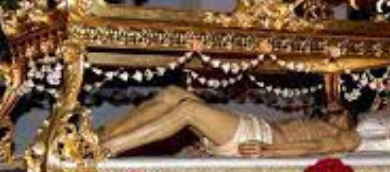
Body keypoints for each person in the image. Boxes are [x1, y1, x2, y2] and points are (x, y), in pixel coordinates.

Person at [98, 86, 362, 158]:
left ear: (349, 114)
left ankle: (108, 149)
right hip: (248, 128)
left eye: (337, 106)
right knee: (173, 95)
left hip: (255, 140)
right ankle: (103, 135)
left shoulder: (351, 136)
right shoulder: (315, 119)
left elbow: (314, 148)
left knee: (187, 110)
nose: (330, 105)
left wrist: (269, 151)